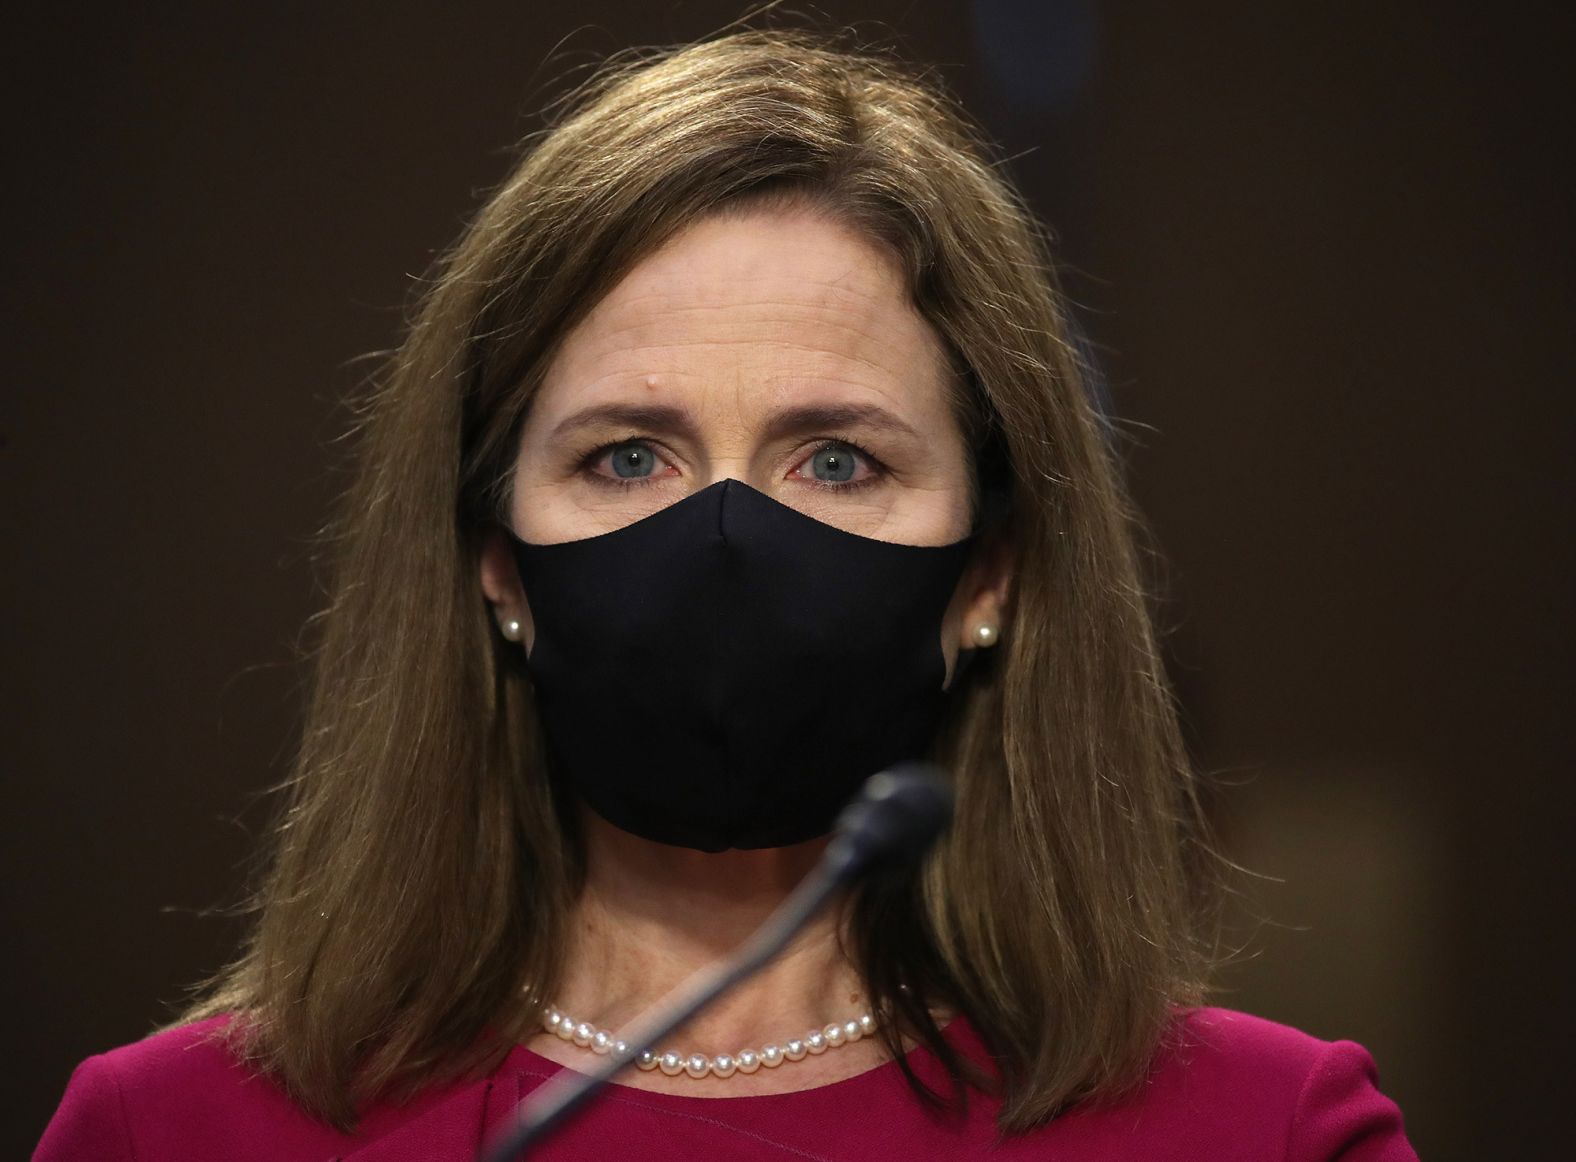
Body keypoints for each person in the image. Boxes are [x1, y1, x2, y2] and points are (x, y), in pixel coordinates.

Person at [35, 28, 1416, 1161]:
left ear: (988, 576)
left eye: (836, 457)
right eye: (629, 454)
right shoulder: (174, 1130)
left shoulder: (1264, 1130)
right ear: (495, 566)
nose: (727, 538)